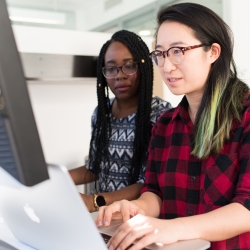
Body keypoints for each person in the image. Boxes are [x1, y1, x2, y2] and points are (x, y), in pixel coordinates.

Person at [96, 3, 250, 250]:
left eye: (178, 51)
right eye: (160, 54)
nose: (166, 67)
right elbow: (154, 193)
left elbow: (247, 208)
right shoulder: (165, 125)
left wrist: (172, 228)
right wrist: (136, 208)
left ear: (213, 52)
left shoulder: (246, 115)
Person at [69, 30, 172, 213]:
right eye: (111, 68)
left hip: (139, 219)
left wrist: (94, 201)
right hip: (105, 219)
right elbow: (94, 167)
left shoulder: (160, 115)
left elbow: (149, 183)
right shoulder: (101, 113)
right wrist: (55, 179)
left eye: (129, 66)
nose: (119, 75)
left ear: (143, 67)